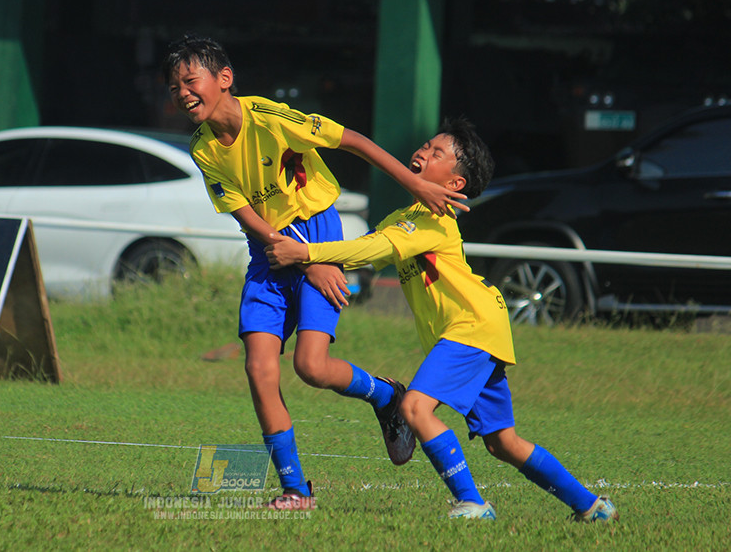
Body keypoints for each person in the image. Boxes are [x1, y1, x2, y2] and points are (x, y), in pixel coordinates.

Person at [162, 34, 469, 510]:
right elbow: (246, 214)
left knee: (311, 366)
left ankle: (386, 397)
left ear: (224, 80)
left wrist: (410, 185)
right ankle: (295, 490)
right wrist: (290, 254)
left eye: (189, 80)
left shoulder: (269, 116)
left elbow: (355, 142)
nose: (181, 92)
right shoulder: (203, 147)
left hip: (318, 233)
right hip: (268, 249)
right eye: (174, 85)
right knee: (259, 368)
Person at [264, 117, 619, 522]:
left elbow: (374, 246)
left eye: (437, 153)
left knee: (415, 407)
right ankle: (592, 508)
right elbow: (370, 255)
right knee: (503, 442)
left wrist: (305, 254)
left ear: (455, 185)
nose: (423, 152)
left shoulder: (431, 219)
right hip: (479, 329)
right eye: (426, 145)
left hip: (471, 326)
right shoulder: (408, 214)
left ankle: (473, 504)